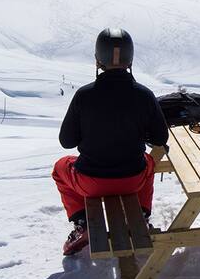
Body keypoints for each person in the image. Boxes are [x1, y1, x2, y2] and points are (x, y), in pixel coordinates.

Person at [53, 28, 169, 255]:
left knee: (61, 167)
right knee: (149, 162)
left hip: (90, 182)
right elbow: (160, 139)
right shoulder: (143, 94)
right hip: (132, 180)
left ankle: (82, 223)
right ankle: (142, 216)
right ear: (130, 59)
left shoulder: (84, 95)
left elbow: (66, 141)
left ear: (98, 60)